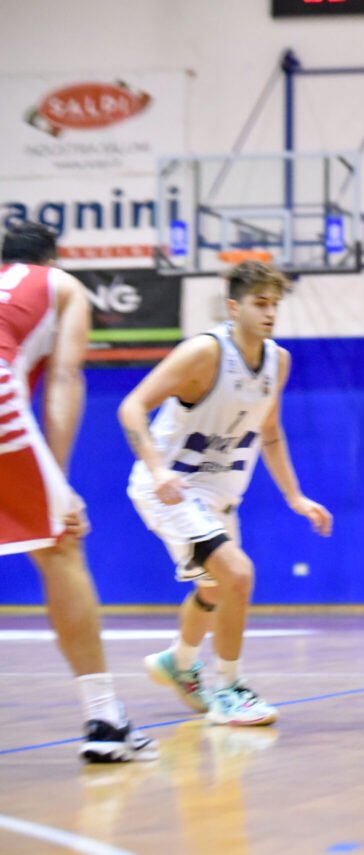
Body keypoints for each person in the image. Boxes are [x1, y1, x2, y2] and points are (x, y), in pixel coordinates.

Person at [118, 260, 332, 726]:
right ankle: (230, 688)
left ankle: (178, 663)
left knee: (214, 589)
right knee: (238, 574)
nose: (270, 312)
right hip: (172, 489)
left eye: (275, 304)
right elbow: (131, 407)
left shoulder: (278, 361)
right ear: (234, 307)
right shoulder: (204, 353)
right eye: (260, 303)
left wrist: (295, 497)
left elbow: (270, 431)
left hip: (219, 496)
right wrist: (156, 470)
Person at [0, 222, 155, 762]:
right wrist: (58, 486)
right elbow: (66, 380)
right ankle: (106, 717)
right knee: (60, 543)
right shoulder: (62, 286)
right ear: (51, 259)